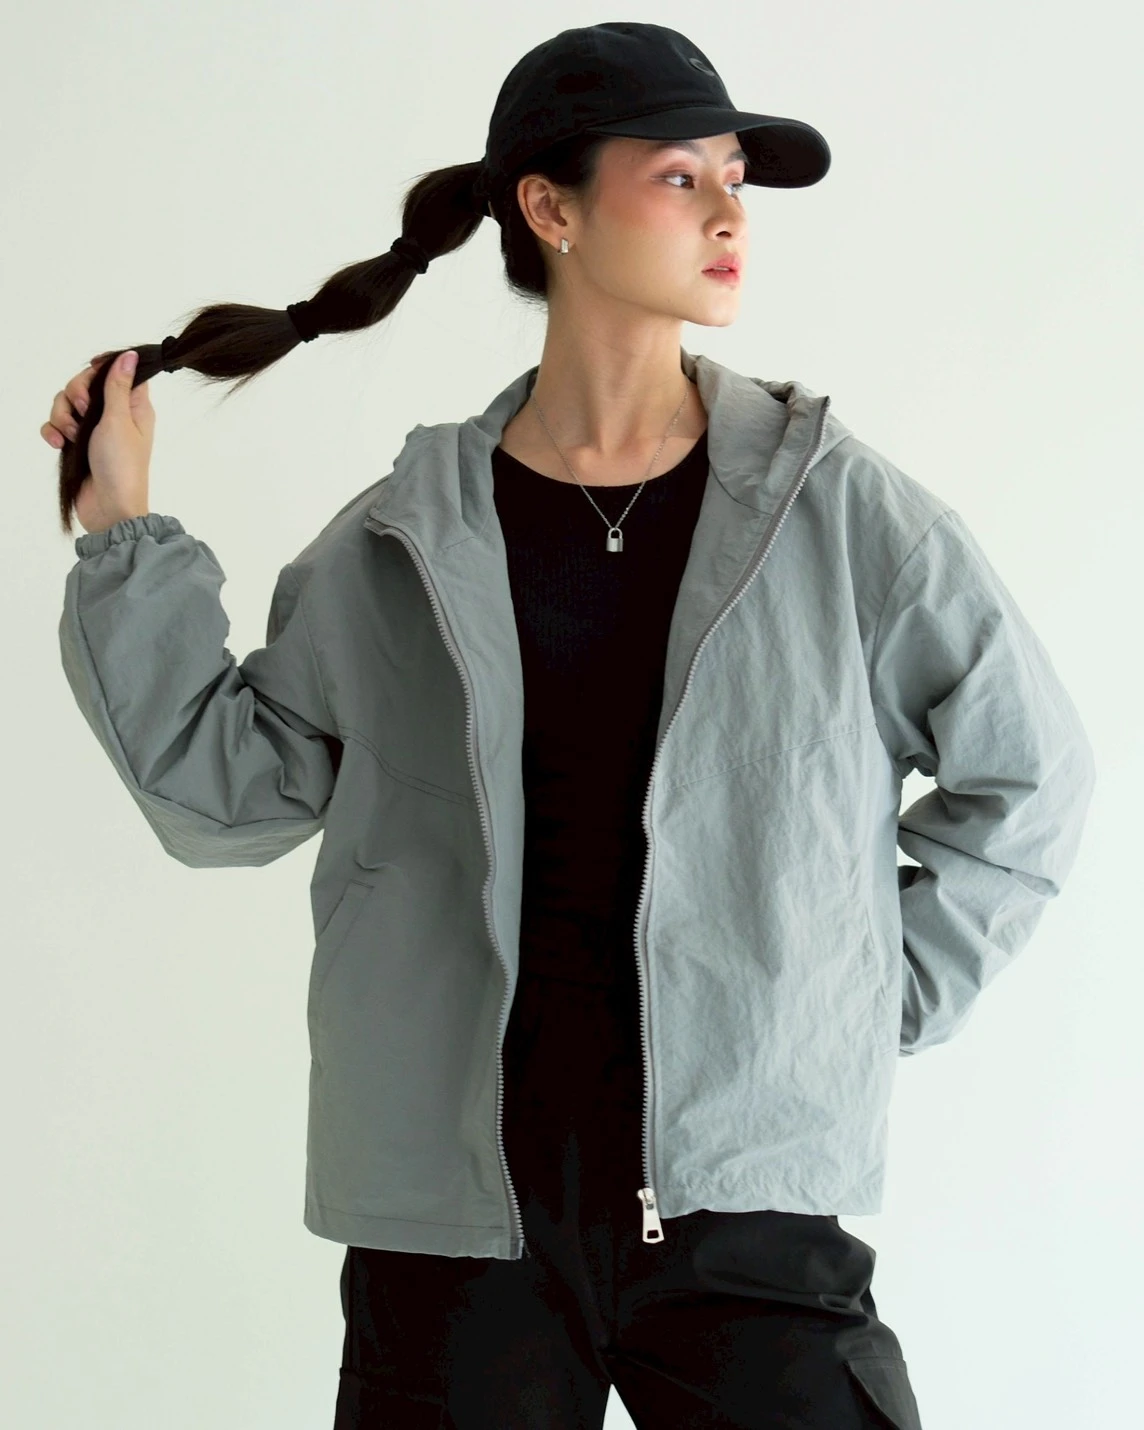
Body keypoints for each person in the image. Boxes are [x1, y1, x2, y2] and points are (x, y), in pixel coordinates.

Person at [46, 22, 1095, 1430]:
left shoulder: (835, 508)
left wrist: (839, 1005)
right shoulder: (403, 540)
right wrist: (121, 531)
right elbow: (222, 796)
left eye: (736, 181)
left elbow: (1029, 775)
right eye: (680, 177)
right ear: (550, 208)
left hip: (747, 1221)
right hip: (457, 1231)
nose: (730, 216)